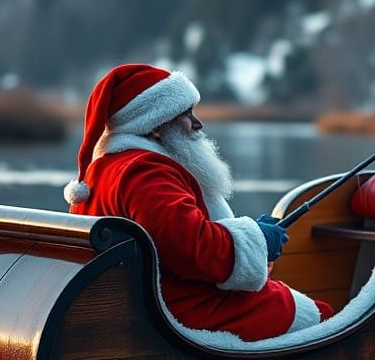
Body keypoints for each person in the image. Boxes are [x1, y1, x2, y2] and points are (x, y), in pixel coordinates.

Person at [64, 63, 334, 341]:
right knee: (323, 320)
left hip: (147, 306)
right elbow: (192, 247)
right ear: (155, 125)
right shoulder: (144, 173)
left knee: (288, 299)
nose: (198, 124)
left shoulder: (108, 168)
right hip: (178, 317)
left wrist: (251, 236)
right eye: (186, 114)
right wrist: (259, 240)